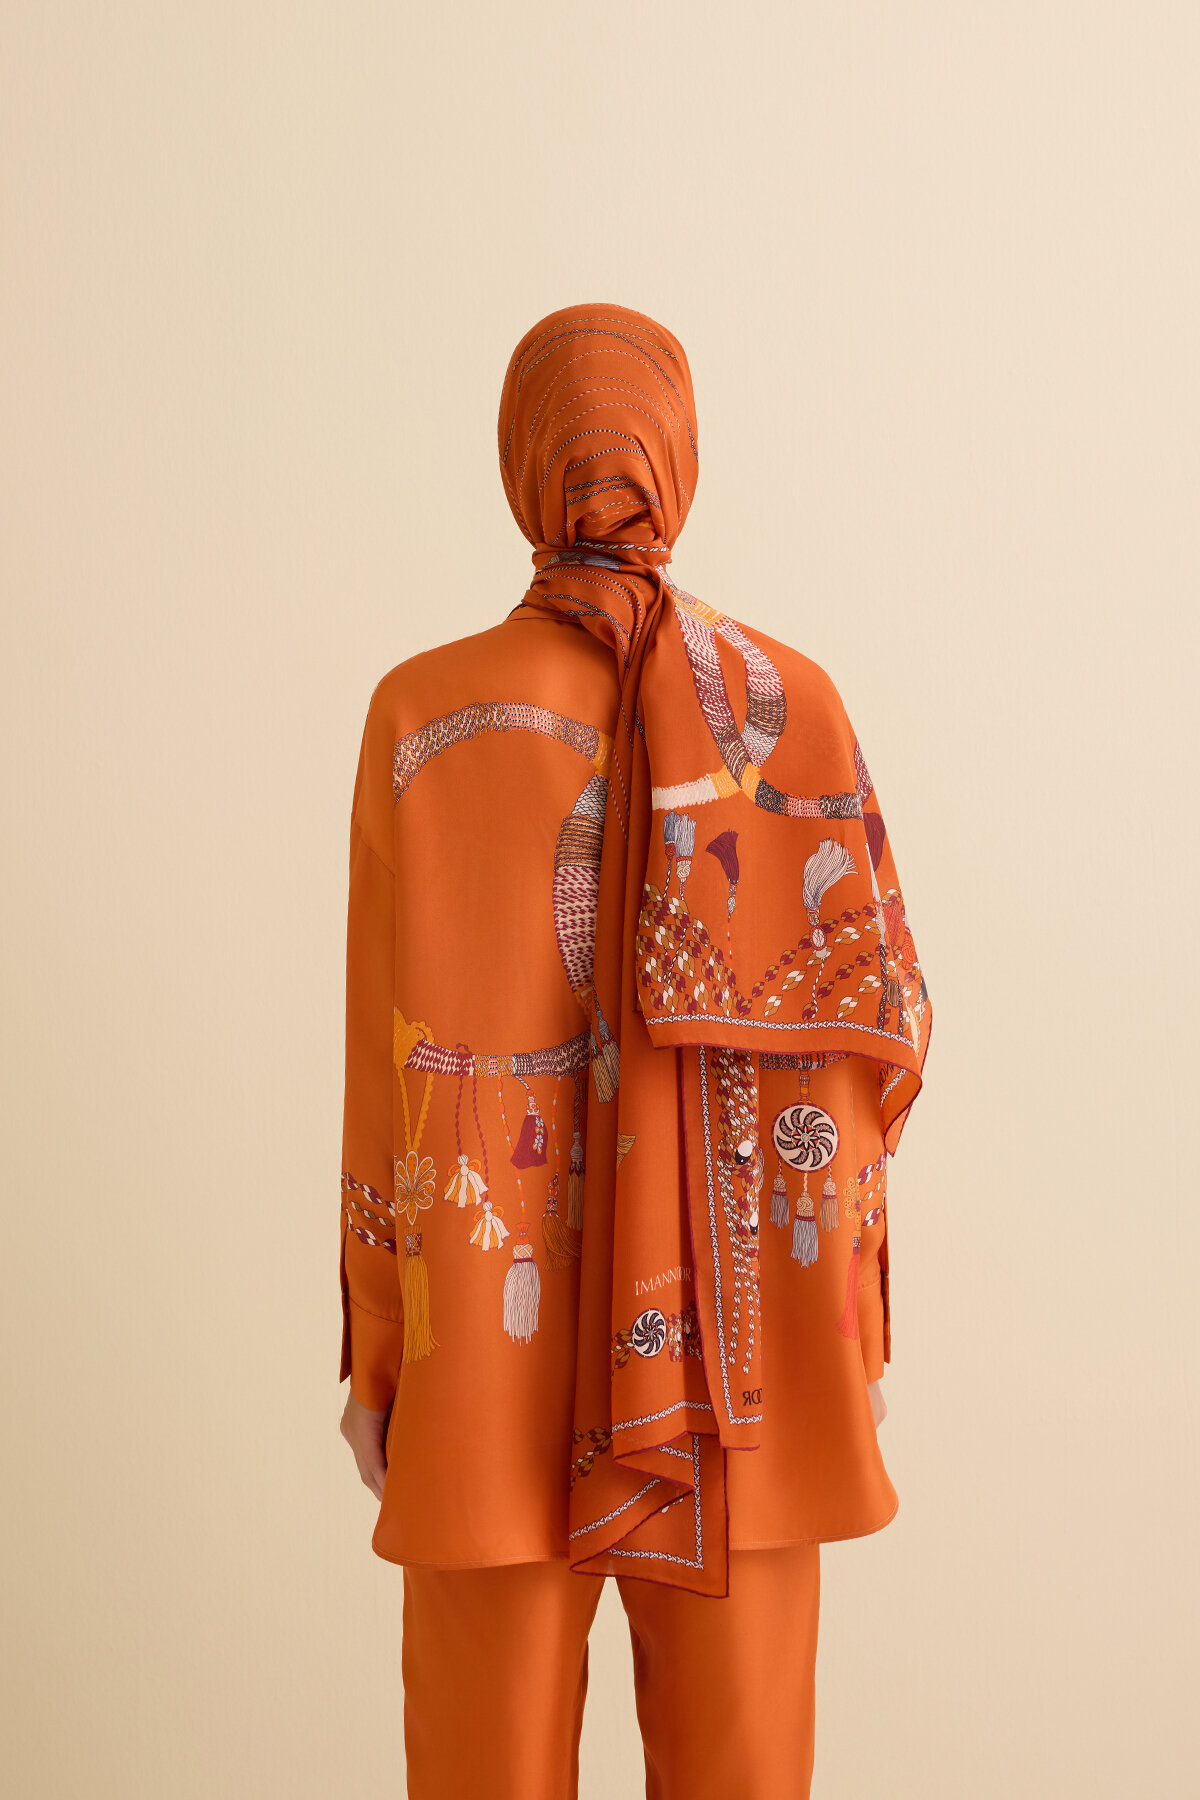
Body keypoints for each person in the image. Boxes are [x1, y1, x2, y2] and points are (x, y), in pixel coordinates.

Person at [337, 302, 931, 1799]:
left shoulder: (421, 716)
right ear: (680, 458)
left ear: (519, 465)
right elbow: (859, 1052)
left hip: (486, 1361)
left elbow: (383, 1070)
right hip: (749, 1374)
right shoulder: (792, 711)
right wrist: (850, 1327)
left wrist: (383, 1353)